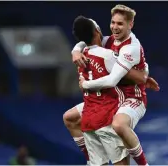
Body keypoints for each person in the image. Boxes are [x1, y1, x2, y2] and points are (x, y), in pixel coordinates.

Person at [64, 4, 159, 165]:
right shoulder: (109, 41)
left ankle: (144, 164)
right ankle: (92, 158)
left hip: (131, 97)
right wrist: (76, 50)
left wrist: (86, 84)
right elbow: (88, 36)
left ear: (131, 24)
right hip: (110, 97)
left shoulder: (131, 48)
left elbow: (114, 80)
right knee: (70, 118)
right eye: (113, 22)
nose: (114, 27)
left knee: (119, 125)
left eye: (120, 23)